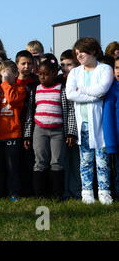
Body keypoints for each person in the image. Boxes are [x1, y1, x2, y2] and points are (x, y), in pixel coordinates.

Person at [66, 37, 114, 205]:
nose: (79, 56)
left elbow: (102, 89)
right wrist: (94, 97)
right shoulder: (74, 72)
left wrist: (82, 92)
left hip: (101, 123)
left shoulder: (105, 69)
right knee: (85, 159)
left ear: (93, 51)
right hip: (83, 124)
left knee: (102, 159)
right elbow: (70, 94)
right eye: (76, 53)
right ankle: (87, 192)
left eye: (82, 52)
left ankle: (104, 191)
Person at [23, 59, 77, 201]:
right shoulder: (35, 90)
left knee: (57, 161)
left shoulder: (62, 89)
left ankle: (57, 194)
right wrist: (27, 135)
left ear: (54, 73)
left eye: (46, 74)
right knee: (40, 161)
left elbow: (70, 111)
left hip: (58, 131)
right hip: (39, 130)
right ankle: (40, 194)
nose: (42, 77)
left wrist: (71, 132)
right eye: (40, 74)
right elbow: (30, 113)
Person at [0, 61, 26, 201]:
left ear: (16, 74)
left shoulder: (20, 89)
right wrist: (3, 84)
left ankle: (13, 192)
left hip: (13, 134)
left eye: (8, 74)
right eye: (2, 74)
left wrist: (6, 83)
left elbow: (12, 99)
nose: (4, 77)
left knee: (12, 166)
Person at [58, 50, 82, 200]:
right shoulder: (60, 81)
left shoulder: (80, 79)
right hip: (62, 128)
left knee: (77, 162)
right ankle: (65, 192)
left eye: (69, 64)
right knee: (64, 161)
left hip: (78, 126)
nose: (65, 68)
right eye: (63, 65)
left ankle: (78, 191)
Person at [15, 50, 38, 197]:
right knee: (16, 160)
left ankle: (30, 190)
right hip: (15, 125)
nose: (26, 66)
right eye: (23, 63)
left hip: (33, 125)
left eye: (29, 63)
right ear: (17, 65)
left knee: (31, 159)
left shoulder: (36, 82)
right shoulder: (12, 82)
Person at [103, 56, 119, 198]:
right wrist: (112, 144)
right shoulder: (111, 90)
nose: (118, 71)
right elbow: (108, 119)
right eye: (117, 68)